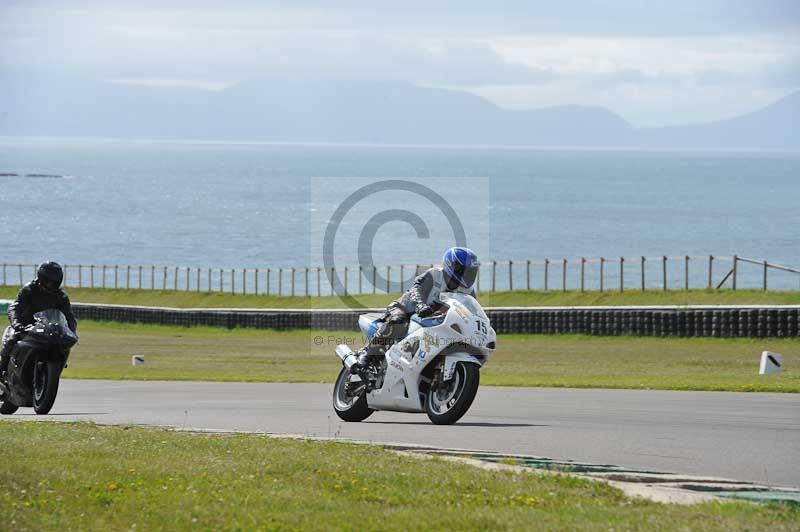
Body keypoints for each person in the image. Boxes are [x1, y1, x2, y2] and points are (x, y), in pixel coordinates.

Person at [354, 246, 479, 369]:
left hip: (432, 321)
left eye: (470, 271)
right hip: (405, 309)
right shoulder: (434, 274)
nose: (467, 275)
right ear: (451, 265)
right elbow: (417, 289)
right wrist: (420, 305)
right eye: (463, 270)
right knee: (398, 321)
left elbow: (471, 312)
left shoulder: (468, 292)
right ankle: (368, 353)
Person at [0, 261, 77, 377]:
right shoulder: (29, 290)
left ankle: (53, 373)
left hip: (49, 328)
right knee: (11, 340)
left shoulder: (61, 296)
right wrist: (16, 322)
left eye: (55, 281)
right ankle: (2, 369)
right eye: (51, 282)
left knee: (64, 346)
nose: (53, 284)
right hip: (26, 326)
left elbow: (69, 316)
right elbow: (15, 307)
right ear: (43, 279)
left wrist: (72, 330)